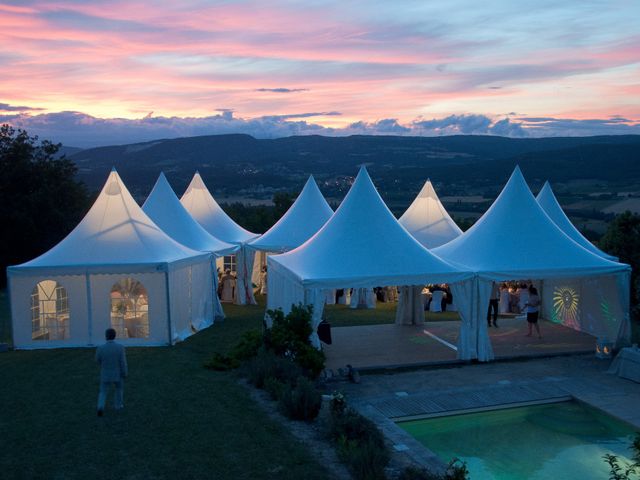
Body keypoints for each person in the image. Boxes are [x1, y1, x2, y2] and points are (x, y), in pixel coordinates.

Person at [96, 328, 128, 417]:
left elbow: (97, 360)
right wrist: (125, 372)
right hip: (117, 373)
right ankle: (118, 405)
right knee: (119, 389)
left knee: (103, 391)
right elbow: (123, 362)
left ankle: (100, 407)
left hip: (105, 373)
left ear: (106, 336)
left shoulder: (101, 348)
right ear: (115, 336)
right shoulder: (120, 348)